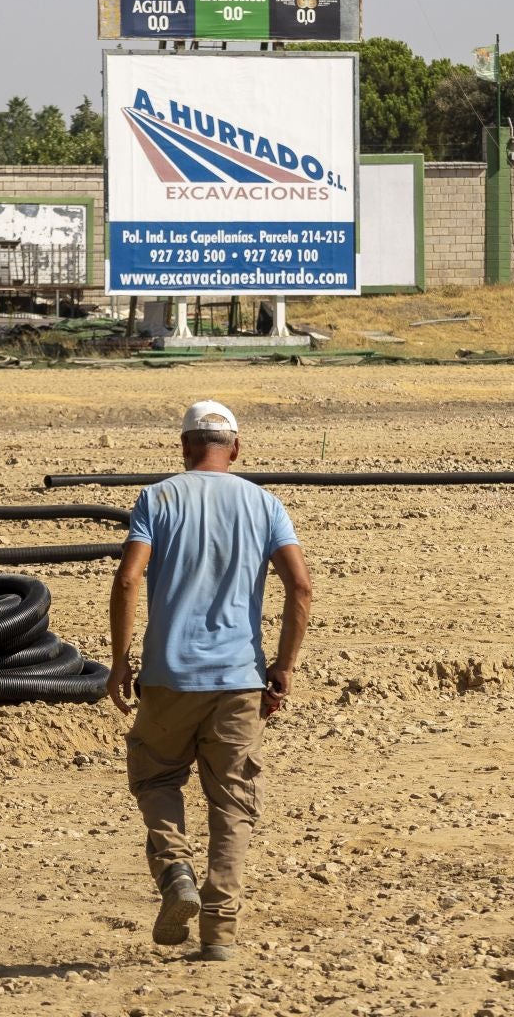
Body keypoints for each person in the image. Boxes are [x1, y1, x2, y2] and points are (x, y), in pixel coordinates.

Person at [106, 399, 313, 962]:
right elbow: (301, 588)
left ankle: (175, 869)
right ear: (237, 449)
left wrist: (120, 661)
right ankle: (219, 932)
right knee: (233, 804)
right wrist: (283, 667)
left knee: (156, 778)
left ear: (184, 448)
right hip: (240, 680)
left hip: (169, 676)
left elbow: (128, 580)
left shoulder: (158, 497)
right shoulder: (265, 504)